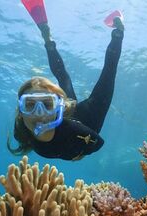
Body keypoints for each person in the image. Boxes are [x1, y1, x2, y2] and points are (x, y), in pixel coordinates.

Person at [8, 4, 124, 161]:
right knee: (73, 77)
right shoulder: (21, 131)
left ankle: (118, 31)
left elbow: (98, 144)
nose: (39, 113)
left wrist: (80, 154)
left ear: (58, 106)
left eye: (47, 104)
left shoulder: (76, 132)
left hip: (87, 119)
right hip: (80, 117)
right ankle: (48, 38)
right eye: (29, 105)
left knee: (105, 74)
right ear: (20, 112)